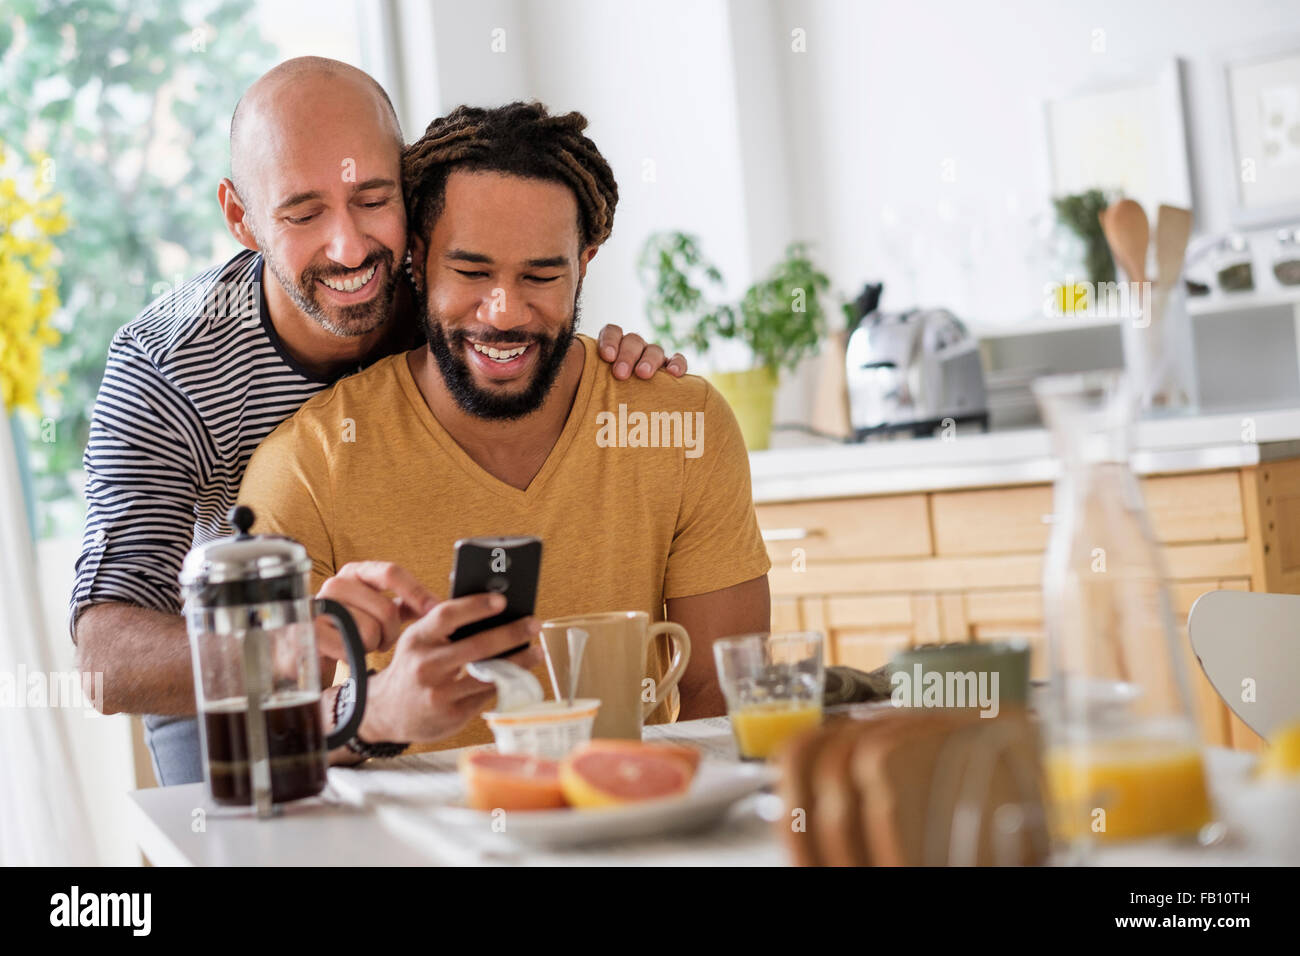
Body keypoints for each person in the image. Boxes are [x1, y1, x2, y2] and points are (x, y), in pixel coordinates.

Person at [71, 58, 686, 785]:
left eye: (372, 198)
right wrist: (301, 647)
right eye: (303, 213)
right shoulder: (166, 366)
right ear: (241, 217)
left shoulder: (443, 296)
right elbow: (104, 661)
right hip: (227, 674)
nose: (351, 247)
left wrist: (608, 367)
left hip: (392, 669)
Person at [237, 101, 772, 757]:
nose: (504, 312)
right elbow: (259, 739)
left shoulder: (680, 426)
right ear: (417, 259)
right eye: (471, 272)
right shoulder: (309, 461)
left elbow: (722, 709)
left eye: (541, 275)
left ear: (586, 261)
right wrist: (372, 713)